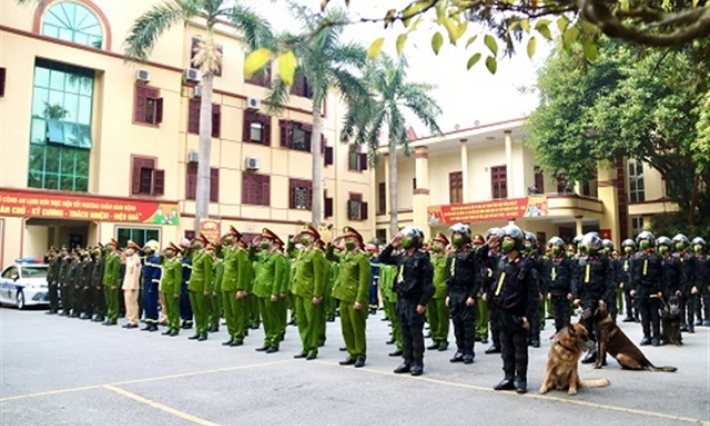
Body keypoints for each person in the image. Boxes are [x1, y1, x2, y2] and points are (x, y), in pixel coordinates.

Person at [487, 225, 538, 394]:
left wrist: (527, 317)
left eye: (509, 239)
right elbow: (480, 260)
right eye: (504, 239)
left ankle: (521, 378)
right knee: (506, 348)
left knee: (519, 349)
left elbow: (532, 295)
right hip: (501, 312)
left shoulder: (526, 265)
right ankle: (508, 377)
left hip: (517, 313)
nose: (504, 242)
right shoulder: (500, 261)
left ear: (517, 243)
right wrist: (488, 245)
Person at [379, 226, 434, 376]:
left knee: (416, 333)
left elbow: (428, 285)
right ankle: (407, 360)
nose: (404, 240)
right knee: (405, 332)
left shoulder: (422, 258)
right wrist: (392, 244)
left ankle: (417, 362)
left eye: (407, 237)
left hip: (414, 300)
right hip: (402, 300)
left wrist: (423, 303)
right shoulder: (402, 257)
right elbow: (382, 258)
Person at [329, 227, 371, 368]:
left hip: (354, 297)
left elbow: (364, 281)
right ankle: (351, 352)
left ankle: (360, 354)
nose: (348, 242)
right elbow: (329, 256)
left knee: (357, 328)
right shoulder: (344, 255)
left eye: (351, 239)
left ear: (358, 242)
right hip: (343, 296)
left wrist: (360, 299)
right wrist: (333, 243)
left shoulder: (361, 258)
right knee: (346, 327)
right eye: (346, 239)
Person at [572, 233, 616, 364]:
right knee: (586, 326)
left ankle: (602, 354)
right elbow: (575, 279)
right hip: (586, 299)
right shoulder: (581, 261)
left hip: (599, 299)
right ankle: (592, 350)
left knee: (601, 328)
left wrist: (605, 298)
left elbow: (610, 282)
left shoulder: (605, 261)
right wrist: (576, 296)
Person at [288, 225, 327, 360]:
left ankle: (312, 348)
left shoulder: (316, 254)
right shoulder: (301, 252)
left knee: (312, 321)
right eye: (303, 236)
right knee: (302, 321)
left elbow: (319, 276)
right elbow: (289, 251)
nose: (304, 238)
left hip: (309, 292)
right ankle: (305, 346)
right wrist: (292, 240)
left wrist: (317, 294)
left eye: (307, 236)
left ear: (314, 240)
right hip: (298, 290)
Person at [445, 223, 479, 364]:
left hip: (466, 292)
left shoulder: (472, 254)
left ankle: (469, 351)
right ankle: (460, 349)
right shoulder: (452, 254)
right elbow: (448, 275)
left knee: (467, 324)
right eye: (454, 235)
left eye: (458, 235)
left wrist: (472, 295)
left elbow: (478, 276)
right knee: (457, 322)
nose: (455, 238)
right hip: (454, 293)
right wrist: (448, 294)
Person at [252, 228, 288, 353]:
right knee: (265, 318)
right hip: (260, 290)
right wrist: (253, 245)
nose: (263, 242)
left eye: (266, 240)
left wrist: (275, 292)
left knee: (273, 318)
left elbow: (279, 276)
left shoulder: (278, 257)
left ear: (273, 241)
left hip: (270, 290)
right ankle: (267, 340)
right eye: (262, 239)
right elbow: (251, 257)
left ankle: (274, 341)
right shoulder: (263, 254)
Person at [630, 231, 664, 346]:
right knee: (644, 315)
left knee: (654, 315)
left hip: (653, 288)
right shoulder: (636, 257)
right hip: (641, 288)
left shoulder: (657, 257)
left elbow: (662, 275)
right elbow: (632, 273)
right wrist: (633, 287)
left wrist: (660, 290)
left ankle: (656, 336)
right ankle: (646, 335)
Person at [543, 237, 574, 334]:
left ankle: (566, 332)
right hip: (554, 291)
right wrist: (548, 290)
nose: (554, 248)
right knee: (557, 314)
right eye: (552, 246)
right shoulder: (550, 261)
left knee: (565, 314)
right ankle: (558, 331)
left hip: (564, 292)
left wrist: (571, 291)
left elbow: (572, 276)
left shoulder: (567, 261)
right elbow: (547, 276)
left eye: (556, 246)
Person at [188, 234, 213, 341]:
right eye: (194, 241)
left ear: (203, 243)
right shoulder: (195, 254)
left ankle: (203, 331)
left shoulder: (206, 256)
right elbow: (186, 253)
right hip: (193, 285)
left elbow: (209, 274)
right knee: (196, 310)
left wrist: (207, 288)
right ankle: (198, 330)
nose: (195, 243)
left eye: (198, 241)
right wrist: (190, 245)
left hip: (201, 285)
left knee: (202, 310)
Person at [428, 233, 450, 352]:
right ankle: (435, 338)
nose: (435, 244)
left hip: (441, 292)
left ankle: (442, 339)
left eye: (438, 243)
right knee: (432, 317)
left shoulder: (447, 259)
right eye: (435, 242)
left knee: (443, 317)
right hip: (430, 292)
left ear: (444, 245)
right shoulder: (431, 259)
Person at [672, 234, 695, 333]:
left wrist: (695, 285)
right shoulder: (674, 257)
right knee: (680, 306)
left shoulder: (691, 257)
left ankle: (690, 324)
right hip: (679, 285)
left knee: (690, 306)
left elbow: (696, 272)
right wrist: (676, 288)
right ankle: (682, 323)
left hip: (689, 285)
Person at [160, 243, 183, 336]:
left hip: (172, 288)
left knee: (174, 309)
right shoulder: (166, 262)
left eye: (170, 250)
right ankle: (170, 325)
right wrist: (162, 253)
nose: (167, 251)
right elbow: (160, 260)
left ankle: (175, 327)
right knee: (168, 309)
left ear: (174, 252)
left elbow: (178, 278)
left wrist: (176, 291)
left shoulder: (177, 263)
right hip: (165, 288)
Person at [141, 240, 162, 332]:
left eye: (148, 248)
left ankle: (154, 323)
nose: (146, 249)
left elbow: (156, 273)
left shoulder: (155, 259)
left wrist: (153, 286)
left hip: (151, 283)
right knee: (146, 303)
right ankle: (148, 321)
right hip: (146, 282)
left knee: (152, 304)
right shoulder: (148, 259)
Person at [121, 241, 142, 329]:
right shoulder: (129, 259)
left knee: (133, 303)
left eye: (130, 249)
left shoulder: (136, 259)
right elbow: (122, 260)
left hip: (132, 284)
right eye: (128, 248)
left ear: (134, 250)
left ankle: (134, 321)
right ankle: (130, 319)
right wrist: (124, 253)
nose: (128, 250)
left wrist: (133, 285)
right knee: (128, 303)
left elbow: (136, 274)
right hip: (127, 284)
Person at [102, 239, 121, 326]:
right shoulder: (108, 256)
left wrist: (114, 283)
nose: (108, 247)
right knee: (108, 300)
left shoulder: (116, 257)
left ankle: (113, 317)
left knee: (113, 300)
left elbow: (115, 272)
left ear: (114, 247)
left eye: (110, 245)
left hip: (111, 281)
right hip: (106, 280)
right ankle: (109, 316)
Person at [619, 239, 638, 322]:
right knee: (627, 299)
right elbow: (621, 270)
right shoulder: (622, 259)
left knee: (636, 298)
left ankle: (636, 315)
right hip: (626, 281)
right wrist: (621, 281)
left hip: (633, 280)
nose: (627, 248)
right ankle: (629, 314)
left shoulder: (636, 258)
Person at [90, 246, 106, 323]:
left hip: (98, 283)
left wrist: (99, 283)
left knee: (100, 300)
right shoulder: (97, 261)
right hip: (94, 282)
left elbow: (100, 273)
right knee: (96, 300)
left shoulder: (102, 261)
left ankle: (101, 314)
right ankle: (98, 313)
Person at [46, 247, 60, 315]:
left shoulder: (57, 261)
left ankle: (54, 308)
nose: (52, 253)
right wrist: (49, 256)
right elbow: (45, 260)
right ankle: (51, 307)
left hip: (53, 279)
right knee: (51, 294)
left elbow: (56, 271)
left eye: (53, 252)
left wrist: (55, 279)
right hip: (50, 279)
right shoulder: (52, 260)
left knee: (54, 294)